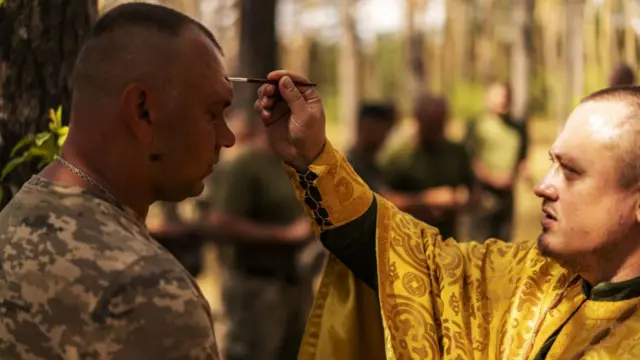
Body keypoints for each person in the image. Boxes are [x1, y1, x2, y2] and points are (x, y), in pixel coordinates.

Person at [255, 71, 640, 359]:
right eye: (551, 163)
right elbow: (406, 259)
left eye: (571, 170)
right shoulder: (532, 273)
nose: (542, 185)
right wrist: (313, 156)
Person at [0, 3, 235, 359]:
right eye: (212, 113)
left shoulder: (12, 221)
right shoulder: (150, 292)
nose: (227, 137)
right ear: (142, 110)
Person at [206, 119, 315, 360]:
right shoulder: (246, 164)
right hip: (256, 287)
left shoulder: (296, 164)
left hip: (294, 282)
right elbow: (222, 222)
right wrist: (283, 235)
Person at [382, 94, 473, 239]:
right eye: (430, 122)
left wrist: (458, 201)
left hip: (446, 242)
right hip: (408, 241)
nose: (435, 128)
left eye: (440, 122)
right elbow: (382, 199)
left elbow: (473, 192)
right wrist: (424, 201)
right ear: (417, 120)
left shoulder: (457, 152)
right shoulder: (399, 156)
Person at [466, 82, 529, 240]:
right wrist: (491, 178)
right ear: (487, 99)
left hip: (508, 196)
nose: (503, 100)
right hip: (482, 195)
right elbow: (469, 158)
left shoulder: (518, 127)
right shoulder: (477, 124)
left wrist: (520, 176)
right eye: (499, 96)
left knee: (503, 245)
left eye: (506, 96)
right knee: (479, 246)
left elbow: (523, 158)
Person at [346, 102, 397, 192]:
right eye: (382, 130)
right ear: (365, 126)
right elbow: (380, 199)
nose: (384, 137)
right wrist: (423, 200)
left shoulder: (371, 164)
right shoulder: (351, 165)